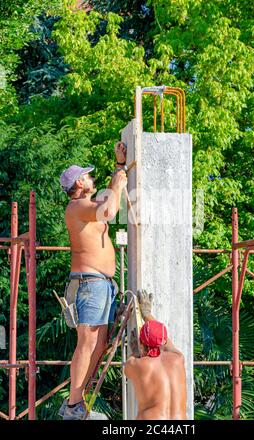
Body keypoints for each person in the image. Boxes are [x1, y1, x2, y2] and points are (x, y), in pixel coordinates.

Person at [58, 142, 127, 420]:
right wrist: (118, 175)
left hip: (99, 283)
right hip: (89, 283)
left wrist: (119, 170)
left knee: (99, 345)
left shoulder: (86, 206)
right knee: (87, 342)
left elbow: (111, 205)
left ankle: (78, 403)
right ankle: (73, 407)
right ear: (79, 182)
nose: (91, 178)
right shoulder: (76, 207)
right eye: (87, 176)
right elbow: (109, 211)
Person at [124, 290, 188, 420]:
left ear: (142, 343)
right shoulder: (178, 358)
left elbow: (128, 370)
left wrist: (136, 352)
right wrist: (147, 314)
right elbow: (164, 340)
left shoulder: (136, 364)